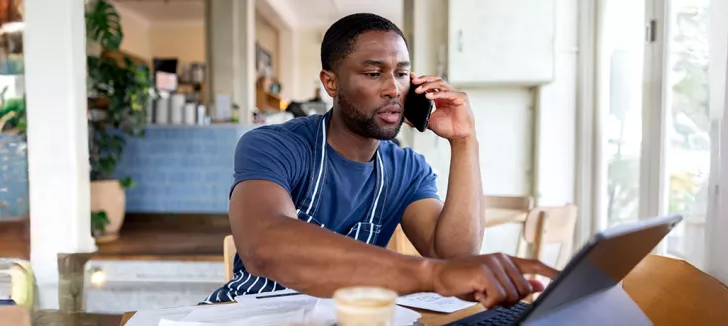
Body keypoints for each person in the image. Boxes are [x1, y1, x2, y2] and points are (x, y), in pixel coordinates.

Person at [204, 13, 557, 308]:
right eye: (374, 74)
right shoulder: (273, 145)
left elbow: (454, 257)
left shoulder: (408, 169)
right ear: (331, 83)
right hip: (251, 314)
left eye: (401, 74)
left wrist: (464, 141)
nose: (393, 89)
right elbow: (265, 245)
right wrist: (430, 274)